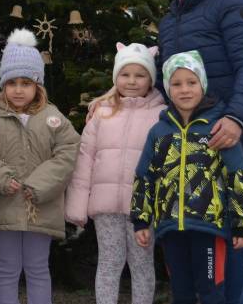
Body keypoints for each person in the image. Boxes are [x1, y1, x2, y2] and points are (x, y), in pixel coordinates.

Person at [156, 0, 243, 304]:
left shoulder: (229, 3)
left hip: (233, 136)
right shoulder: (169, 19)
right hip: (192, 147)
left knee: (235, 237)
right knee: (200, 237)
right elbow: (166, 82)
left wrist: (236, 118)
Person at [132, 51, 243, 304]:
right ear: (167, 89)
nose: (184, 90)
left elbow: (237, 175)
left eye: (191, 82)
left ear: (202, 85)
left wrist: (242, 224)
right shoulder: (159, 132)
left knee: (212, 293)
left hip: (209, 229)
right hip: (170, 229)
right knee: (182, 293)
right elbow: (145, 176)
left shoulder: (217, 128)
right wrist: (141, 221)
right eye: (176, 84)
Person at [0, 29, 80, 304]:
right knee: (7, 267)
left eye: (26, 82)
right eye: (12, 83)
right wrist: (0, 176)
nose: (19, 89)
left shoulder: (52, 117)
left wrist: (40, 184)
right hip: (4, 203)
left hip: (41, 206)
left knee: (37, 268)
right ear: (3, 85)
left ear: (38, 84)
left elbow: (68, 151)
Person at [65, 42, 166, 304]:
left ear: (151, 79)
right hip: (106, 206)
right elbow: (85, 160)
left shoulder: (161, 116)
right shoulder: (101, 113)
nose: (132, 81)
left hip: (142, 207)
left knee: (142, 264)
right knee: (109, 261)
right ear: (116, 77)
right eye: (125, 74)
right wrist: (77, 206)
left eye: (140, 75)